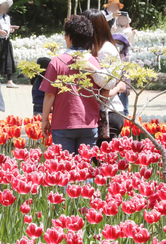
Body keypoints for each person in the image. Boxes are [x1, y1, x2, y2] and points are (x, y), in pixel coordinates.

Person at [40, 15, 117, 155]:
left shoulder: (57, 62)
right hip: (89, 123)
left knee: (64, 169)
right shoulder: (94, 62)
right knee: (84, 169)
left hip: (63, 123)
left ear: (68, 37)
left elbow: (50, 94)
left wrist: (44, 119)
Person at [82, 9, 125, 144]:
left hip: (108, 113)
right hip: (98, 112)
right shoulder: (94, 47)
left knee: (105, 162)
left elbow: (107, 84)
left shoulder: (106, 49)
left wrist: (92, 69)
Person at [112, 33, 131, 116]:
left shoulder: (125, 57)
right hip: (112, 85)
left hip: (122, 85)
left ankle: (126, 123)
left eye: (119, 44)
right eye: (115, 43)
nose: (117, 45)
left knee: (124, 106)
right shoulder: (110, 55)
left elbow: (127, 72)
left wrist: (127, 86)